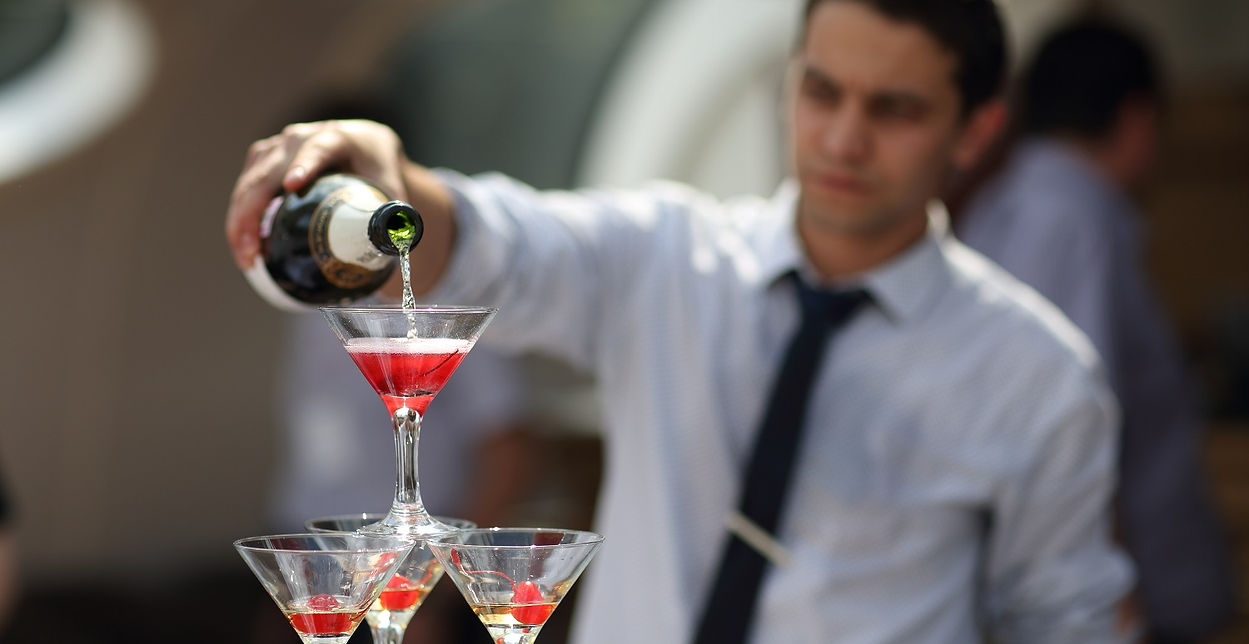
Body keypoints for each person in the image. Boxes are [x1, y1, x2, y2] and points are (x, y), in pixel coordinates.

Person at [226, 1, 1136, 642]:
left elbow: (1065, 621)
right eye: (821, 92)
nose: (843, 139)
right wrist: (395, 188)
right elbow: (497, 242)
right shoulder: (668, 260)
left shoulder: (1037, 373)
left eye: (892, 110)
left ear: (975, 131)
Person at [954, 17, 1236, 642]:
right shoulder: (1068, 220)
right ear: (1137, 120)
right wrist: (1114, 608)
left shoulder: (1016, 204)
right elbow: (1070, 423)